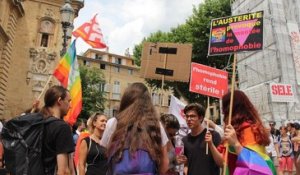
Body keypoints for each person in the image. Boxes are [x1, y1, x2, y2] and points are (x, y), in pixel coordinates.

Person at [101, 82, 169, 174]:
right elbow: (165, 163)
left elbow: (105, 151)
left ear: (126, 100)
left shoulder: (114, 122)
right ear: (148, 103)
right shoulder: (157, 125)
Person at [222, 90, 276, 175]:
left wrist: (236, 144)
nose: (223, 112)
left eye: (225, 107)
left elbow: (254, 162)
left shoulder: (249, 129)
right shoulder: (235, 130)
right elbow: (224, 162)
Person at [177, 103, 222, 175]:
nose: (189, 119)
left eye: (192, 116)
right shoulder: (184, 140)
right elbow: (186, 164)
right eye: (187, 116)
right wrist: (182, 163)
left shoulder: (213, 135)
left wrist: (211, 144)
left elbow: (221, 163)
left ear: (201, 118)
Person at [40, 85, 75, 175]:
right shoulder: (62, 127)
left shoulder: (38, 123)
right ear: (59, 101)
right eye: (68, 101)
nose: (70, 106)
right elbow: (63, 171)